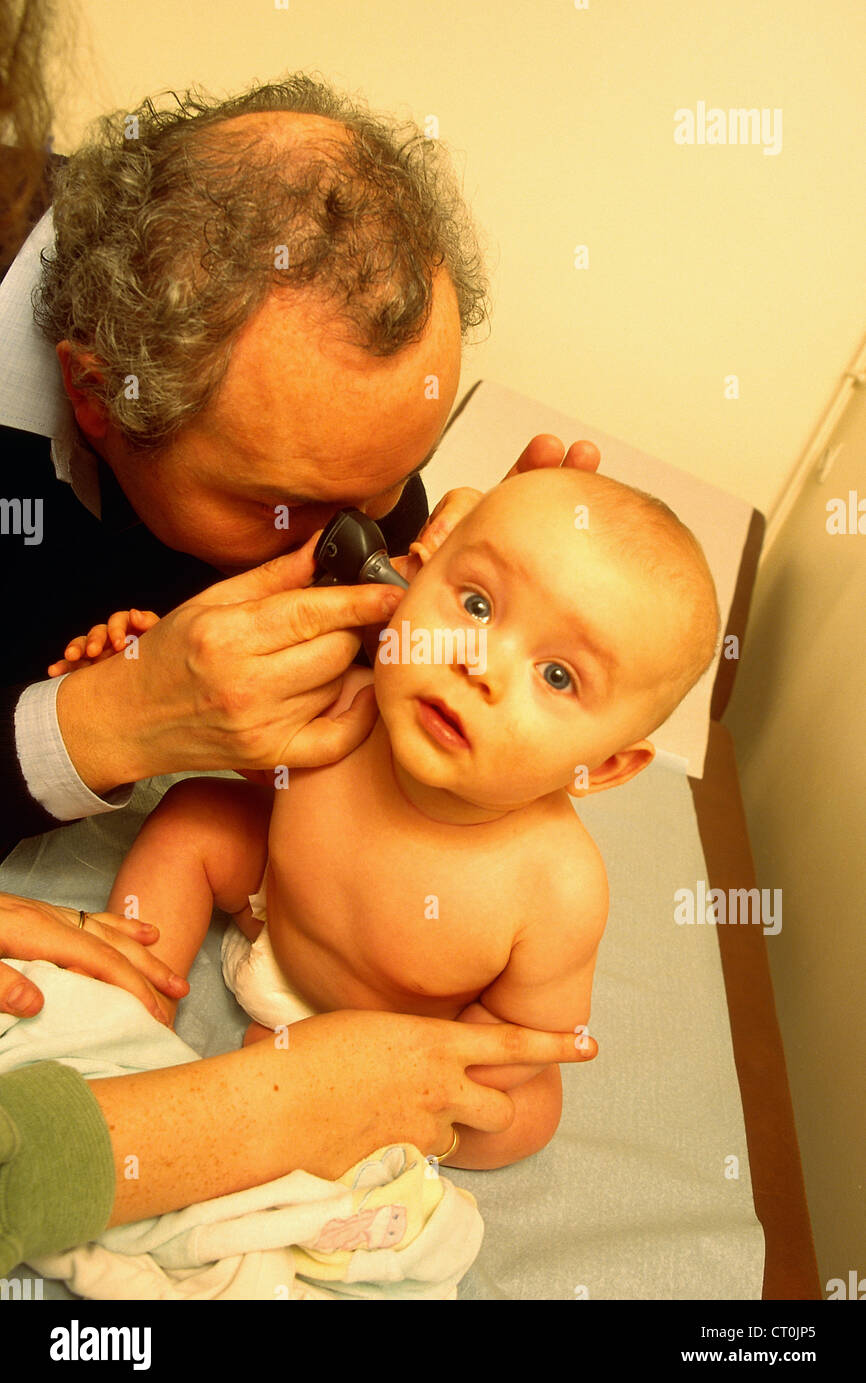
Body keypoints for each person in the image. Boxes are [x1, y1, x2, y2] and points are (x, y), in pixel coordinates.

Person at [0, 70, 601, 1274]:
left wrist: (482, 599)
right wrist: (102, 721)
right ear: (96, 399)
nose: (351, 545)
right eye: (290, 504)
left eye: (386, 485)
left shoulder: (328, 474)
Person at [83, 468, 720, 1171]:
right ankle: (131, 1004)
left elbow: (526, 1032)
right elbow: (247, 748)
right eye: (476, 604)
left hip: (401, 1042)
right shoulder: (345, 700)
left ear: (601, 768)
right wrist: (143, 680)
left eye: (558, 676)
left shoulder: (557, 885)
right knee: (195, 815)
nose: (479, 664)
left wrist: (405, 1071)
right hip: (276, 916)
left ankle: (338, 1116)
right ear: (418, 569)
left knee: (524, 1114)